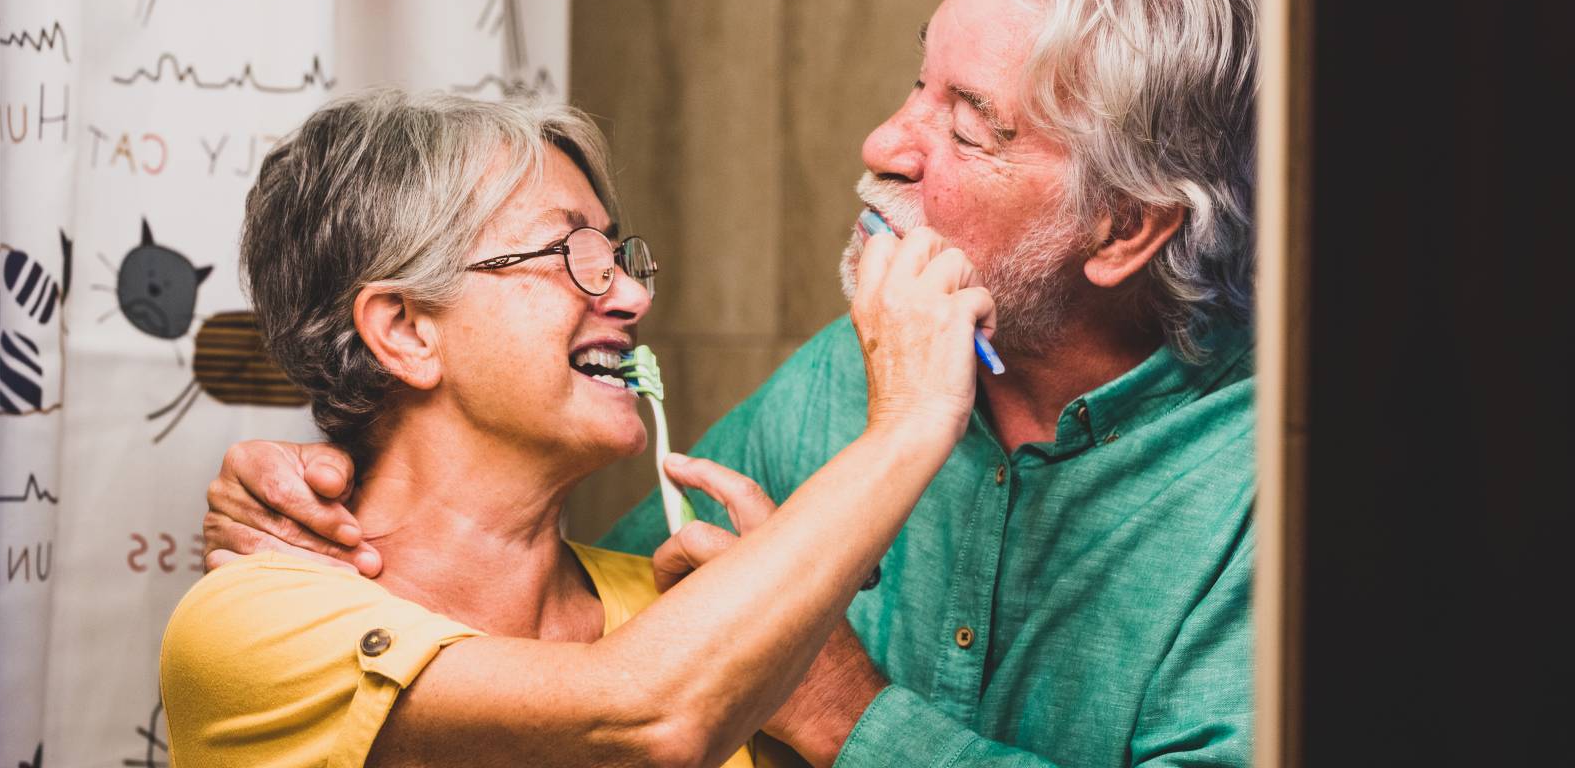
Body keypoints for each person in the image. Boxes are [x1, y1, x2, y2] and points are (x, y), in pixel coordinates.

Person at [202, 0, 1260, 764]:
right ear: (403, 329)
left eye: (969, 124)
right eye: (915, 81)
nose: (884, 141)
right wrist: (293, 518)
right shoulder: (839, 386)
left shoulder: (1278, 492)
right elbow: (548, 620)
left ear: (1126, 226)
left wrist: (839, 699)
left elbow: (654, 669)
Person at [160, 88, 997, 767]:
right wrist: (913, 417)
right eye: (572, 257)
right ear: (407, 330)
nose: (632, 296)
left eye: (617, 255)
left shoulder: (679, 613)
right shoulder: (253, 625)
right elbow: (641, 718)